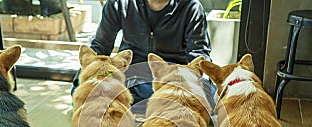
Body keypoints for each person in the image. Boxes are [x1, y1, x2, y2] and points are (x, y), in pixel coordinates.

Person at [72, 0, 215, 113]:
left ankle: (134, 103)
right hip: (132, 75)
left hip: (172, 77)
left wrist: (200, 86)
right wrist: (84, 81)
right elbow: (101, 46)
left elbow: (199, 54)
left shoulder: (191, 7)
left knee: (212, 100)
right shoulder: (119, 4)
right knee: (80, 91)